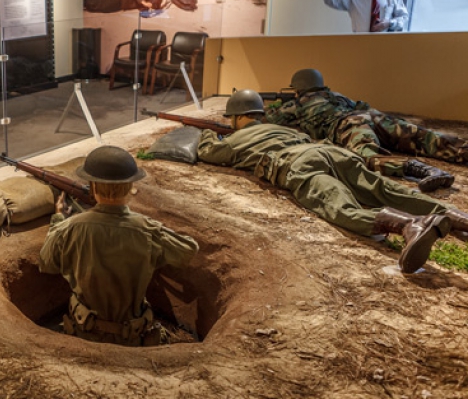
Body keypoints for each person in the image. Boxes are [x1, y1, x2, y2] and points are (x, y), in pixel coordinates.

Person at [197, 89, 468, 274]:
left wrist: (208, 133)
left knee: (340, 206)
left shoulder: (235, 139)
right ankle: (455, 217)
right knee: (383, 188)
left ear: (238, 117)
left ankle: (411, 226)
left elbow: (208, 152)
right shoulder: (280, 127)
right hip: (330, 152)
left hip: (297, 163)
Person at [39, 146, 198, 346]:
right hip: (135, 338)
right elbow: (188, 250)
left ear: (93, 187)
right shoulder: (147, 229)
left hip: (82, 335)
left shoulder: (70, 227)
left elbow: (46, 263)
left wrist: (59, 220)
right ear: (131, 187)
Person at [266, 68, 465, 192]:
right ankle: (462, 150)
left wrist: (274, 105)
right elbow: (362, 105)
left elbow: (270, 118)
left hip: (349, 124)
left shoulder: (298, 103)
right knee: (421, 136)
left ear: (299, 88)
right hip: (373, 117)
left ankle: (423, 170)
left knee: (368, 157)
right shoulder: (336, 95)